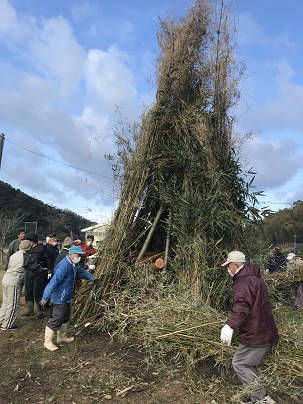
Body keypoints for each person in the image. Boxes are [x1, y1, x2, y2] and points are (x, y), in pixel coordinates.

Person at [220, 251, 278, 404]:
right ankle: (257, 398)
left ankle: (261, 399)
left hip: (256, 333)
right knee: (250, 365)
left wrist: (229, 325)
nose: (228, 270)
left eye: (229, 266)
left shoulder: (243, 282)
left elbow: (242, 306)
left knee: (240, 363)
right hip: (264, 329)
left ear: (235, 265)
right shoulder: (254, 278)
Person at [40, 245, 97, 352]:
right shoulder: (64, 266)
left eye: (80, 255)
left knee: (65, 317)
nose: (79, 257)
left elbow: (81, 272)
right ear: (70, 255)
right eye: (77, 255)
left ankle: (61, 337)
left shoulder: (74, 264)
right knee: (57, 318)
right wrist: (45, 297)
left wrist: (92, 278)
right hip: (59, 297)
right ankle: (47, 342)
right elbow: (53, 282)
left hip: (66, 296)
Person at [0, 240, 43, 330]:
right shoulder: (26, 256)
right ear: (29, 248)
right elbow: (34, 267)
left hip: (6, 279)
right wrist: (45, 270)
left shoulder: (14, 255)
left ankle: (1, 320)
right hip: (14, 282)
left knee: (6, 303)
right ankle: (7, 325)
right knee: (14, 304)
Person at [22, 233, 50, 318]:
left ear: (33, 242)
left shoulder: (42, 248)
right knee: (28, 292)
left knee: (37, 293)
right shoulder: (27, 249)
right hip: (29, 273)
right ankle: (30, 310)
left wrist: (49, 270)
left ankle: (40, 310)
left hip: (39, 273)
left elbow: (48, 260)